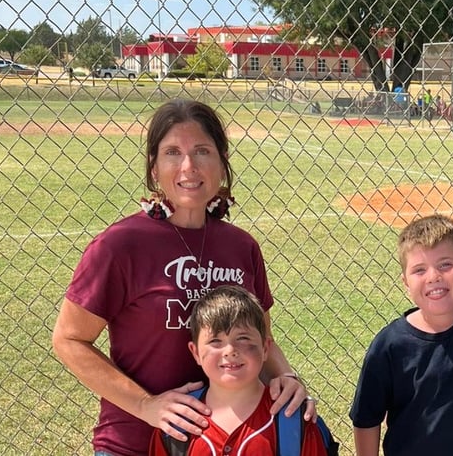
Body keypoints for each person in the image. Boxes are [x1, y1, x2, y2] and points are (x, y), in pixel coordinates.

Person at [52, 99, 314, 456]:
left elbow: (261, 336)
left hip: (221, 441)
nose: (189, 166)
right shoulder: (120, 245)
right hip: (135, 442)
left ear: (222, 162)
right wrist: (147, 405)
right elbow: (69, 340)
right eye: (173, 152)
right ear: (154, 167)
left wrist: (287, 377)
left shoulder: (241, 246)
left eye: (202, 151)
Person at [350, 214, 453, 456]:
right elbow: (366, 418)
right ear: (405, 283)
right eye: (419, 270)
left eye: (445, 264)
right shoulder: (390, 345)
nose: (433, 276)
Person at [148, 285, 329, 456]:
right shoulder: (176, 424)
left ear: (265, 348)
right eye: (215, 341)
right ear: (195, 352)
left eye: (242, 338)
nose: (230, 351)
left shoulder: (293, 419)